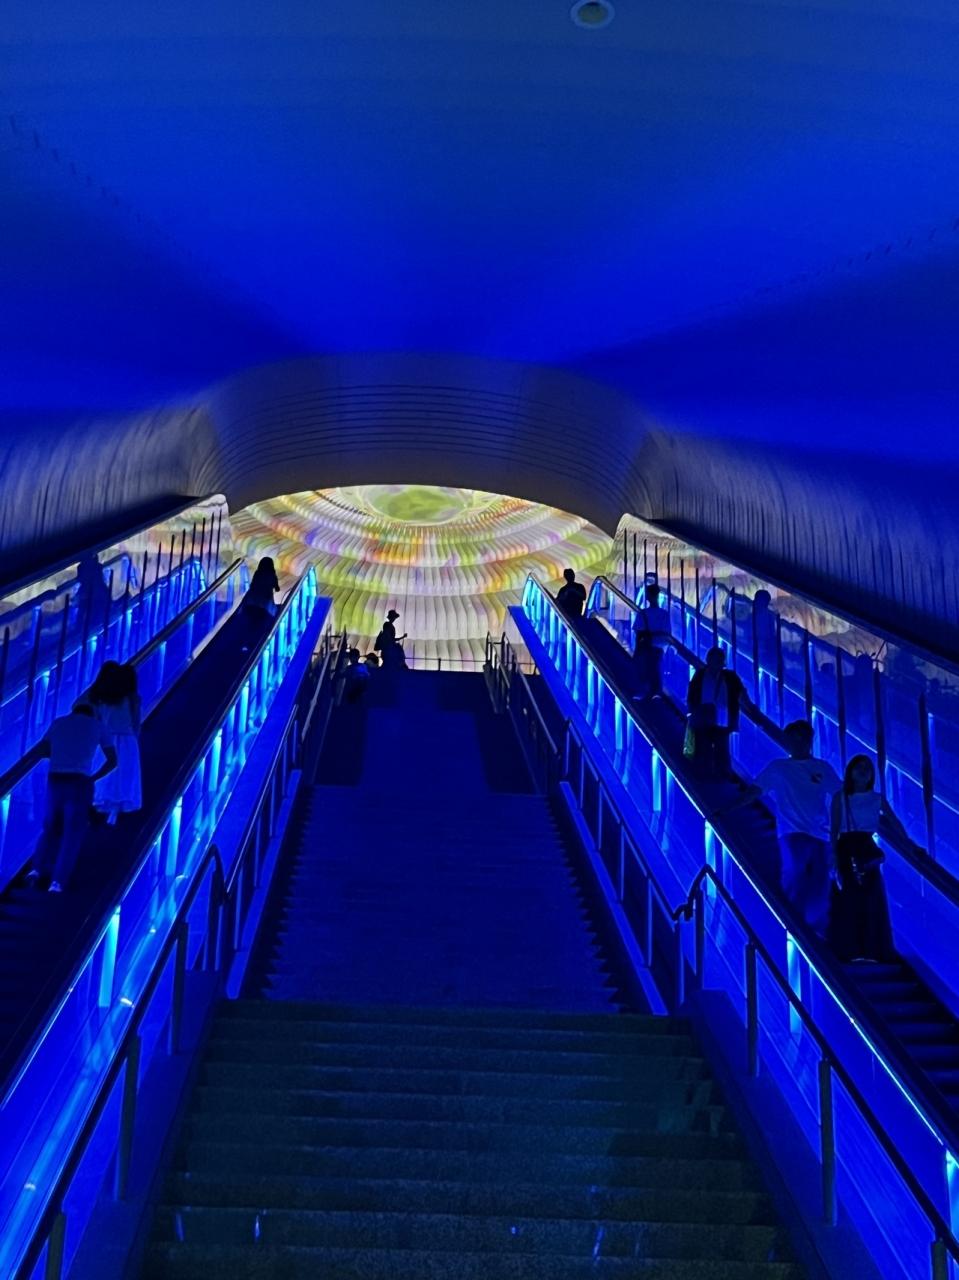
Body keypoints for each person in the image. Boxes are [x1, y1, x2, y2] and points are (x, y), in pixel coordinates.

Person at [717, 721, 840, 935]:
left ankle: (816, 932)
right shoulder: (779, 767)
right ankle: (790, 924)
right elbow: (754, 792)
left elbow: (841, 794)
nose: (799, 743)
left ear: (810, 741)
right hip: (791, 832)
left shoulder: (822, 768)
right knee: (793, 873)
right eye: (794, 739)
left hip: (821, 833)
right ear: (788, 741)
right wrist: (728, 808)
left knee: (821, 881)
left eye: (803, 738)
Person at [828, 755, 921, 963]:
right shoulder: (840, 797)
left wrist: (910, 845)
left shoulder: (877, 798)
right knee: (850, 897)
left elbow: (895, 823)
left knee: (871, 898)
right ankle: (851, 950)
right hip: (848, 848)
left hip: (865, 849)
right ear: (850, 772)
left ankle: (870, 950)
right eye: (859, 767)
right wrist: (833, 858)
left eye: (867, 768)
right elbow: (833, 830)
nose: (863, 771)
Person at [27, 702, 118, 892]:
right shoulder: (98, 726)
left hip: (55, 779)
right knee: (72, 833)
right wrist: (94, 777)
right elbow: (112, 760)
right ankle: (57, 882)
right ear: (92, 713)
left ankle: (36, 869)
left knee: (50, 827)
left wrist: (60, 751)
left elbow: (40, 750)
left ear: (73, 711)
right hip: (80, 781)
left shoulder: (59, 723)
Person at [686, 646, 753, 778]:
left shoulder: (730, 677)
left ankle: (721, 775)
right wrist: (692, 713)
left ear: (723, 662)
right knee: (704, 745)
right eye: (713, 659)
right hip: (703, 717)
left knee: (721, 747)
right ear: (708, 660)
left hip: (723, 719)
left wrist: (750, 706)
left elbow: (741, 692)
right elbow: (692, 694)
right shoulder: (700, 674)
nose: (715, 663)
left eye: (718, 660)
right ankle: (706, 774)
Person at [89, 662, 142, 823]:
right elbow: (136, 722)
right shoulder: (132, 698)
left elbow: (97, 721)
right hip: (127, 739)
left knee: (105, 773)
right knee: (124, 774)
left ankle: (102, 802)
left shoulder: (101, 699)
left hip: (106, 739)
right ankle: (116, 809)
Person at [632, 584, 672, 700]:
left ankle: (644, 691)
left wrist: (637, 649)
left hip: (645, 646)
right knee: (656, 668)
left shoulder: (643, 613)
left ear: (648, 596)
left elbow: (638, 633)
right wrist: (656, 634)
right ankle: (656, 692)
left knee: (644, 668)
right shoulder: (664, 614)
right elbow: (666, 633)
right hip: (659, 646)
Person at [241, 557, 280, 651]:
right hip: (264, 606)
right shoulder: (272, 575)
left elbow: (252, 585)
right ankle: (258, 645)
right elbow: (277, 588)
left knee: (250, 624)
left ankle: (246, 643)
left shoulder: (258, 573)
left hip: (251, 602)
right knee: (261, 624)